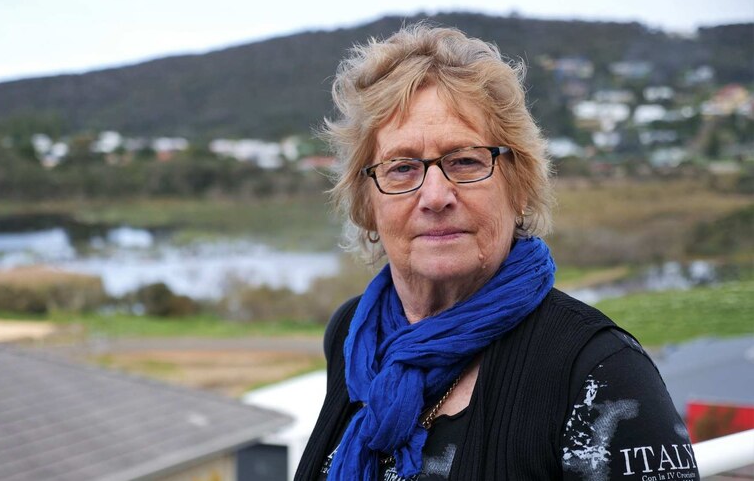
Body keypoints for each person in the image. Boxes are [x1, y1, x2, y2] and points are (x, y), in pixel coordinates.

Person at [295, 24, 698, 481]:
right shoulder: (354, 336)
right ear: (368, 204)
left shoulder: (600, 372)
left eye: (465, 161)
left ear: (520, 186)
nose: (435, 196)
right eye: (402, 167)